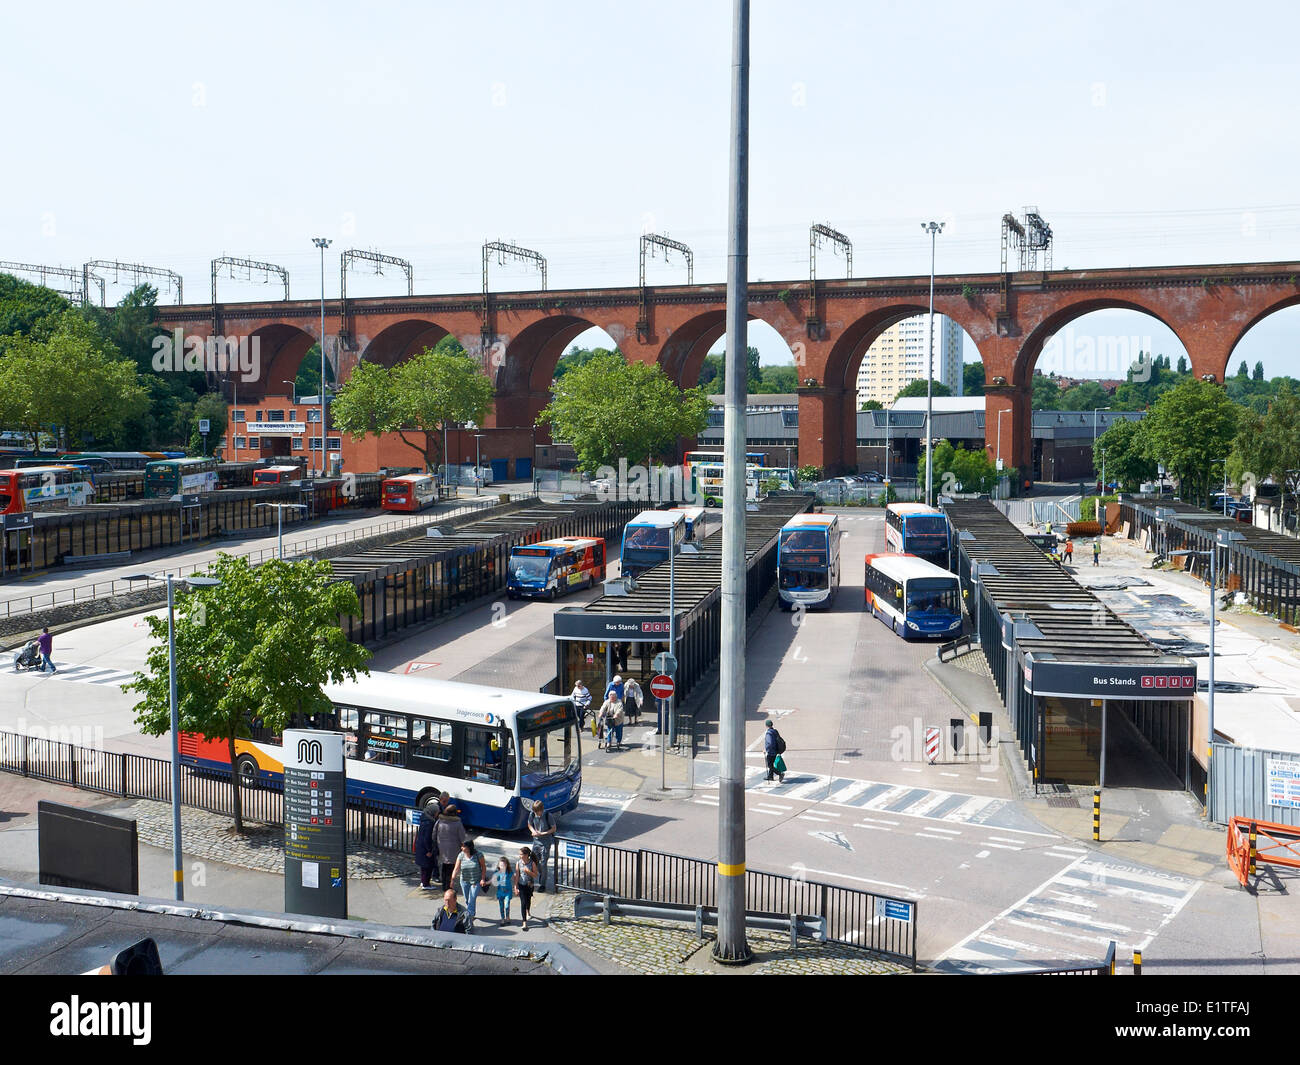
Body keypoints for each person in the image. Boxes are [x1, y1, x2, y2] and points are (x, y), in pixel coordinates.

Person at [451, 839, 489, 932]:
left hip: (476, 881)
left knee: (472, 898)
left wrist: (483, 878)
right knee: (467, 899)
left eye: (464, 846)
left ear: (469, 847)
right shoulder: (461, 855)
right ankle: (471, 913)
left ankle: (469, 917)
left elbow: (483, 867)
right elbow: (456, 868)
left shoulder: (478, 855)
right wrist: (452, 879)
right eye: (462, 846)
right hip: (464, 881)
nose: (462, 848)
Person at [527, 800, 558, 892]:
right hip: (536, 842)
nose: (536, 814)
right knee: (533, 862)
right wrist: (533, 831)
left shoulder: (548, 815)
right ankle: (536, 878)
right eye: (535, 812)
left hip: (545, 842)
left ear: (542, 809)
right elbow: (529, 824)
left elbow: (553, 829)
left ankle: (542, 884)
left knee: (544, 863)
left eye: (538, 812)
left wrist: (543, 833)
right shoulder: (532, 814)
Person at [435, 803, 467, 892]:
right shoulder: (457, 823)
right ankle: (449, 887)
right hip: (453, 850)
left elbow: (434, 832)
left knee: (444, 867)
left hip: (441, 848)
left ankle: (444, 886)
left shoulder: (440, 821)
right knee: (451, 869)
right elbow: (462, 837)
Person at [414, 802, 438, 889]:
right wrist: (429, 850)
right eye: (436, 812)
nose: (437, 814)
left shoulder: (424, 819)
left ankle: (423, 881)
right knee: (428, 866)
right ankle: (425, 884)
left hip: (421, 847)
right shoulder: (430, 823)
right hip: (426, 849)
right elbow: (427, 838)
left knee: (424, 867)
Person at [515, 847, 540, 931]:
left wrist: (528, 872)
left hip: (529, 885)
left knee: (528, 900)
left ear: (526, 855)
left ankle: (528, 911)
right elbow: (517, 875)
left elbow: (536, 875)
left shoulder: (532, 863)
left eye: (521, 854)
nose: (520, 856)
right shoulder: (518, 863)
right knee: (523, 902)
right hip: (521, 885)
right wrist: (515, 886)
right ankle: (524, 922)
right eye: (519, 854)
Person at [492, 856, 514, 926]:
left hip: (508, 892)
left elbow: (514, 878)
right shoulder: (497, 872)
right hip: (500, 892)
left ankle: (507, 917)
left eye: (504, 865)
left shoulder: (509, 872)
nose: (502, 867)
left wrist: (516, 886)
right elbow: (492, 880)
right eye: (501, 865)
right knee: (501, 906)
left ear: (507, 865)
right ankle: (502, 918)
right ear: (498, 865)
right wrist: (486, 883)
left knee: (507, 905)